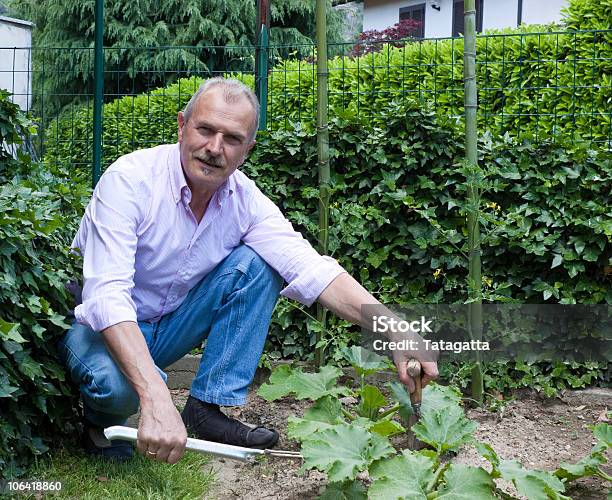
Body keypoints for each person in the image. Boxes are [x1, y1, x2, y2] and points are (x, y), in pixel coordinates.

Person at [59, 77, 438, 464]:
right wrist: (155, 394)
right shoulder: (130, 180)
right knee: (116, 389)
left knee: (259, 264)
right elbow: (107, 297)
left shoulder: (245, 201)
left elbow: (310, 268)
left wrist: (395, 328)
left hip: (168, 326)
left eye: (232, 138)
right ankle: (100, 426)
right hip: (100, 328)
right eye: (205, 129)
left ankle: (204, 409)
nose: (214, 148)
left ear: (248, 149)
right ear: (181, 126)